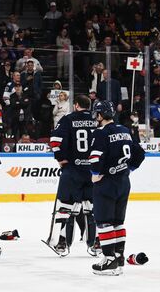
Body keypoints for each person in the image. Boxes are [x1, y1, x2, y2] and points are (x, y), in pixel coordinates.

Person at [89, 101, 145, 275]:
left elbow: (96, 158)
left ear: (99, 115)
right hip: (123, 182)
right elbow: (140, 154)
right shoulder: (125, 130)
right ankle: (119, 257)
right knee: (117, 222)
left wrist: (95, 172)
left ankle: (109, 259)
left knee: (104, 221)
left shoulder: (100, 132)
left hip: (106, 183)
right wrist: (129, 169)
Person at [48, 95, 99, 257]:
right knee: (93, 208)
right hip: (93, 171)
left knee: (66, 208)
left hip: (73, 170)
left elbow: (55, 141)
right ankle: (96, 242)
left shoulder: (68, 119)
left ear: (76, 105)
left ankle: (63, 242)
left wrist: (61, 159)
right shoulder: (97, 120)